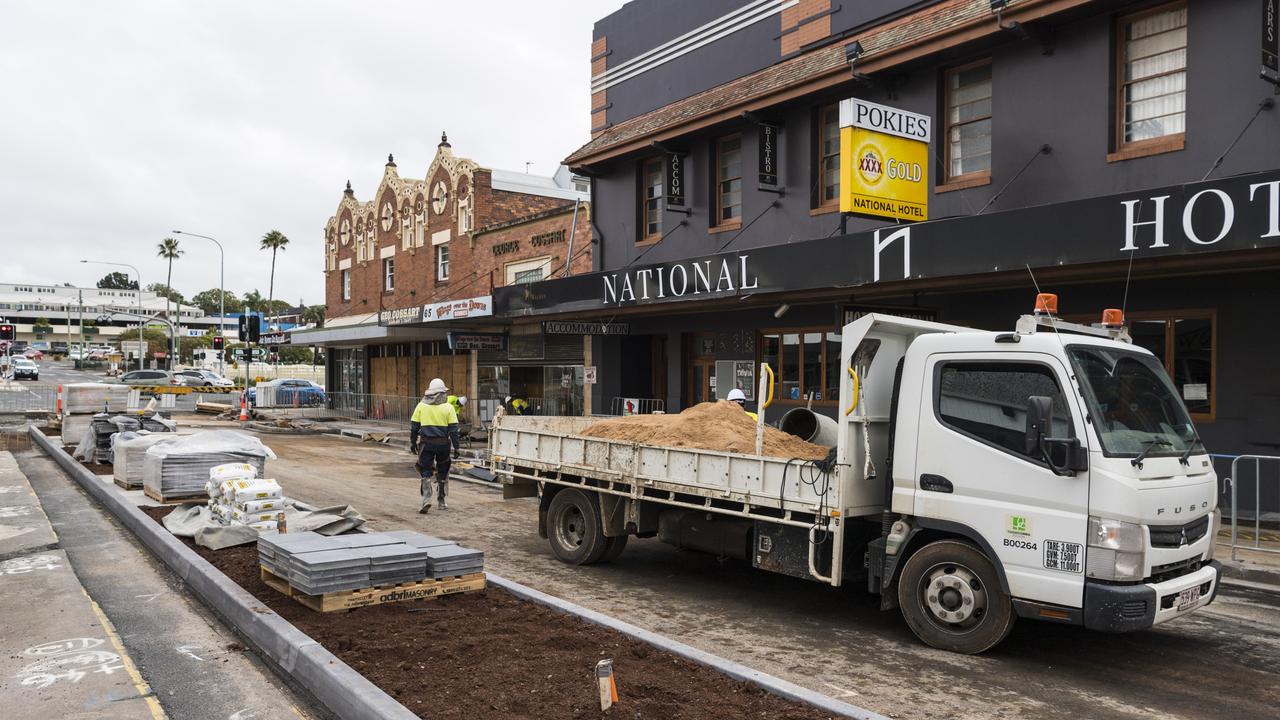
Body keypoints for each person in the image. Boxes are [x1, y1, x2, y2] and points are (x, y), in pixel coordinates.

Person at [409, 378, 460, 513]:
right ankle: (441, 501)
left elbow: (414, 427)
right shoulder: (448, 407)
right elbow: (454, 430)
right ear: (442, 393)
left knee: (425, 469)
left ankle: (426, 499)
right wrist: (457, 447)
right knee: (443, 470)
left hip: (426, 444)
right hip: (443, 444)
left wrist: (413, 442)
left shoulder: (421, 405)